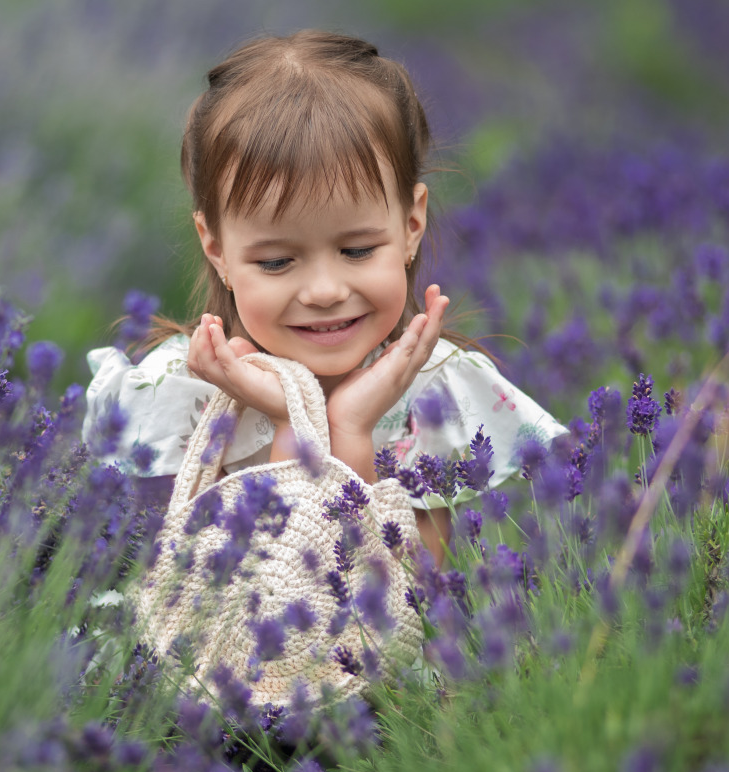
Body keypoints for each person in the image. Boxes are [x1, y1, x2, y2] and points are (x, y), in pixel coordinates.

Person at [82, 30, 565, 565]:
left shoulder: (428, 396)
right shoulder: (189, 391)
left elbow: (398, 605)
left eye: (357, 250)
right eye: (276, 262)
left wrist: (349, 429)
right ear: (216, 248)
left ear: (411, 224)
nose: (325, 291)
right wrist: (293, 421)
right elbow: (191, 586)